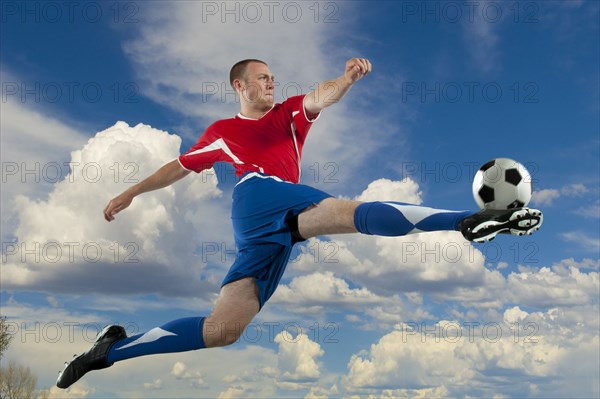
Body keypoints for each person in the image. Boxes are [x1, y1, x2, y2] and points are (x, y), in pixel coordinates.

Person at [57, 58, 542, 388]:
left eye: (273, 77)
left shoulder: (289, 115)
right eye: (262, 77)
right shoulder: (223, 134)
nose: (271, 83)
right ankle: (468, 220)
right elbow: (178, 167)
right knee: (342, 213)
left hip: (277, 228)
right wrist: (128, 192)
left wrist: (345, 80)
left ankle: (109, 351)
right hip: (256, 199)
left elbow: (319, 97)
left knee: (222, 330)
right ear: (239, 85)